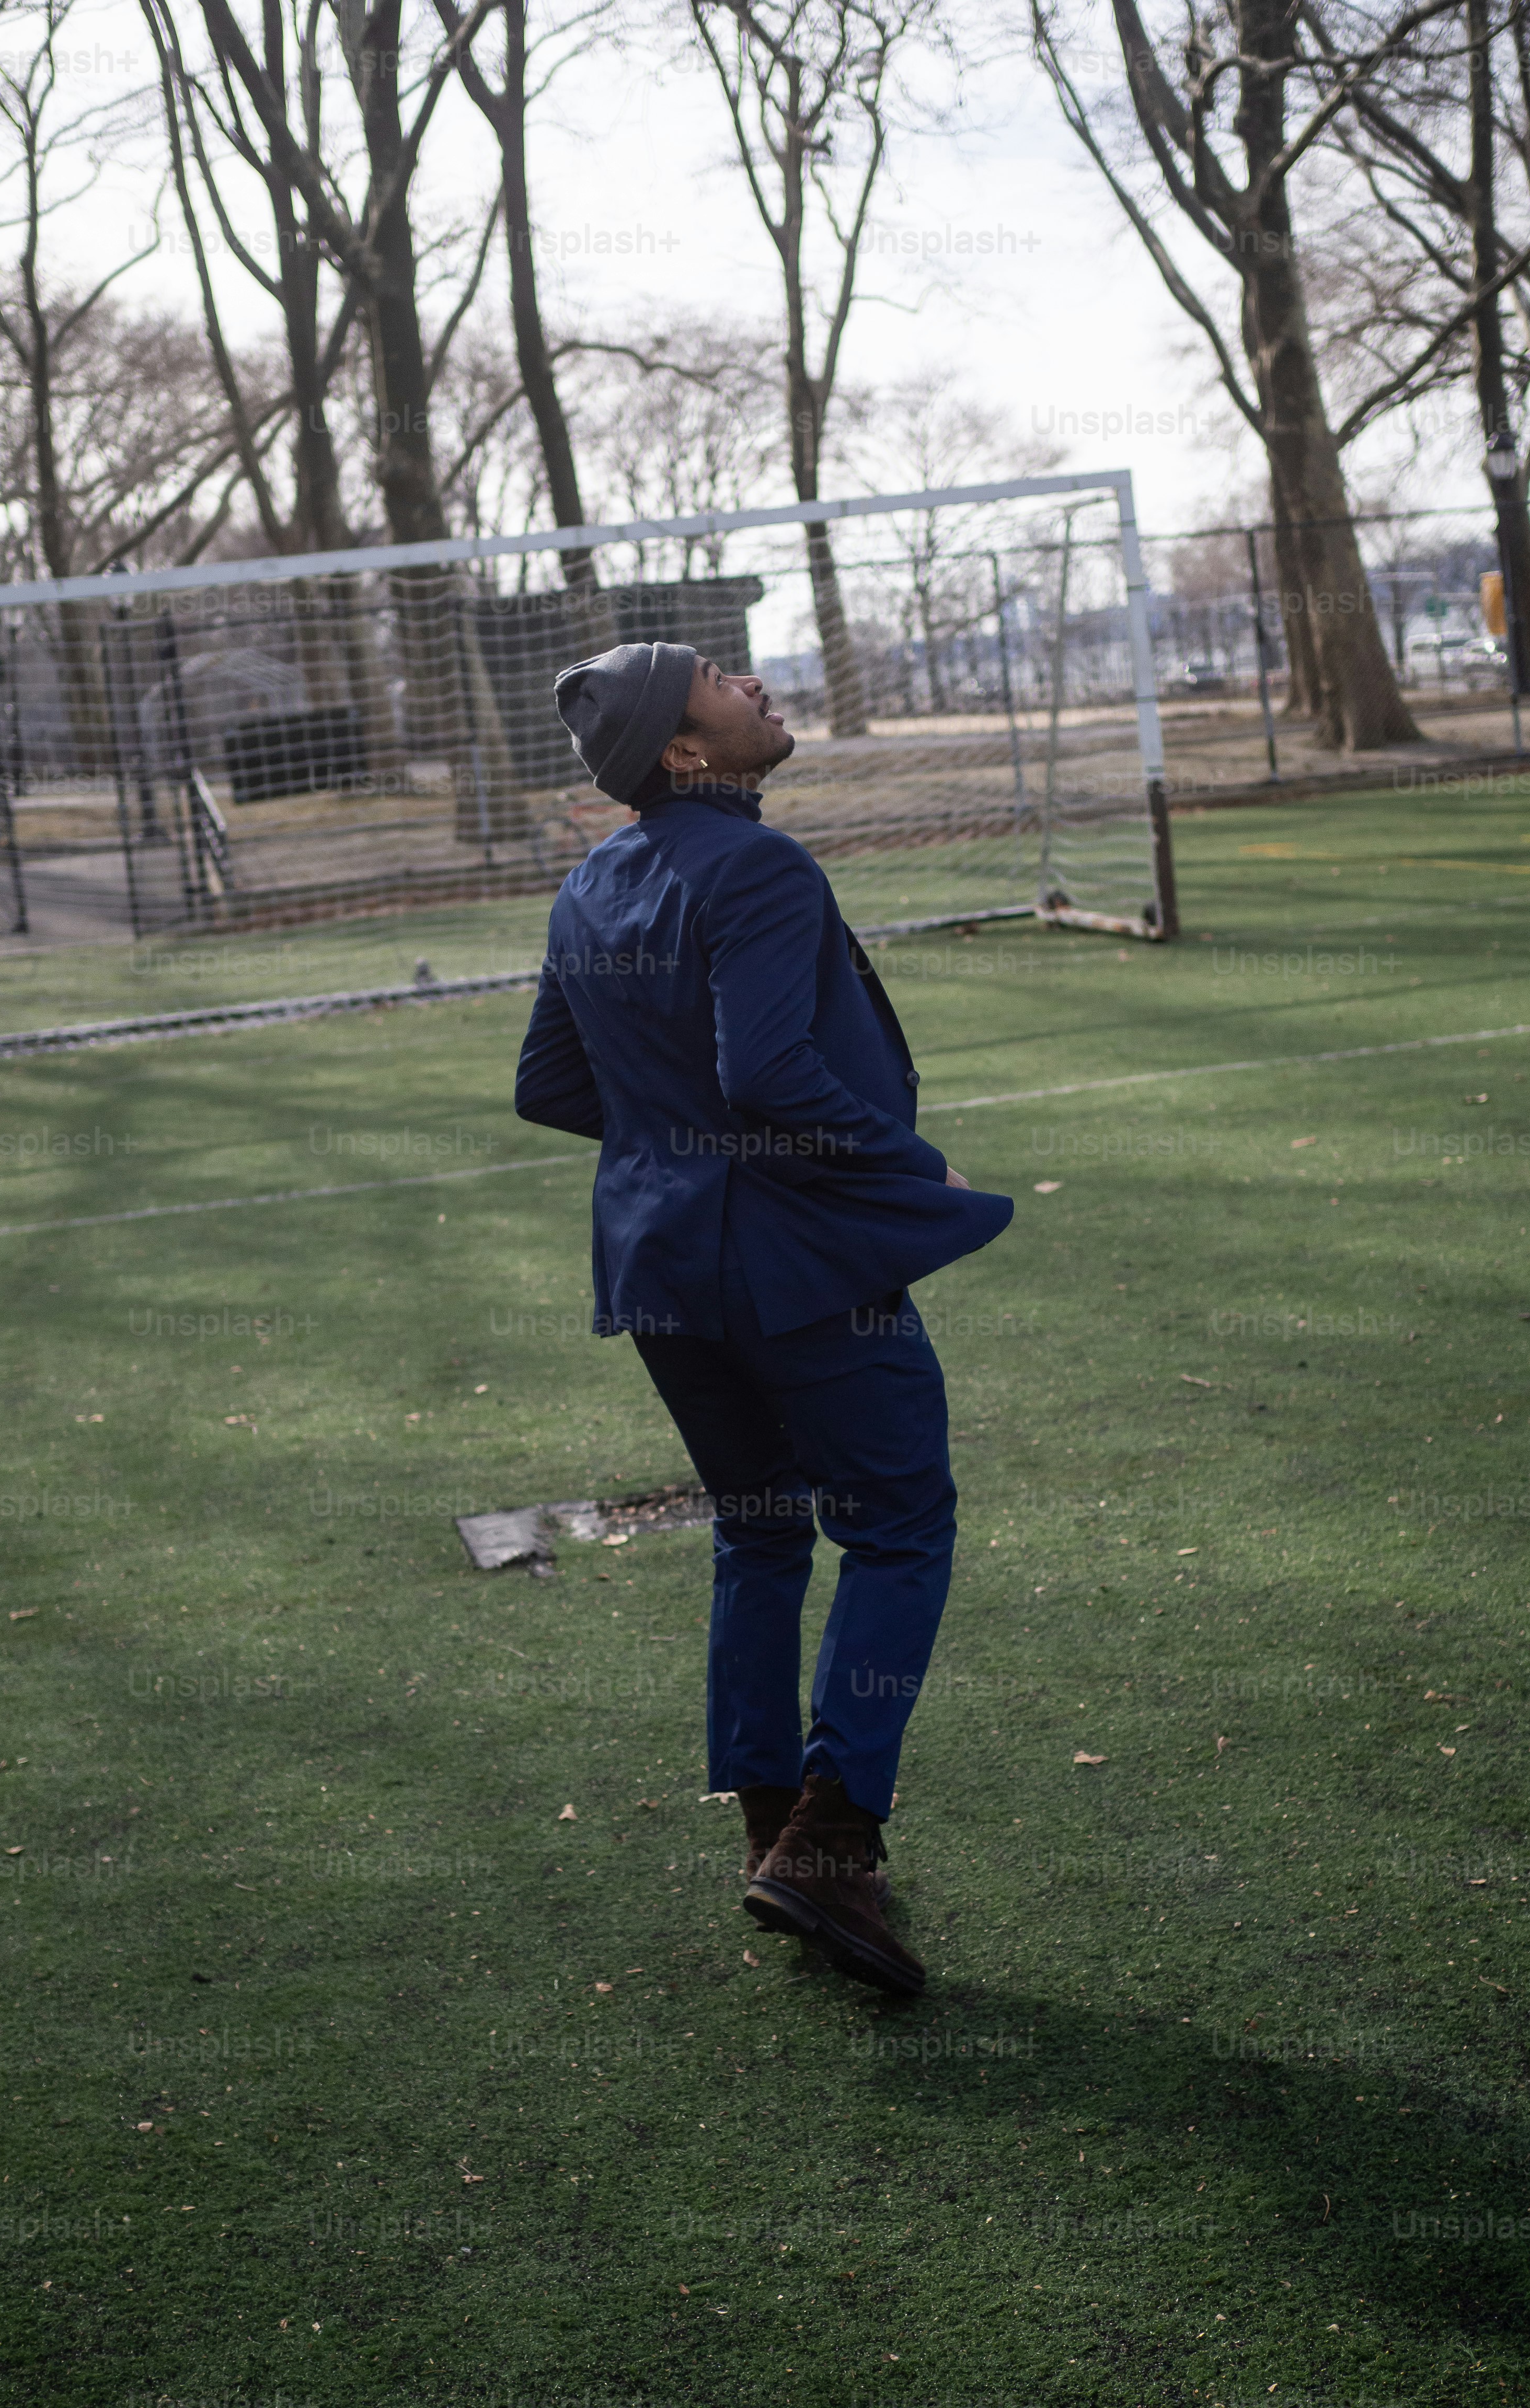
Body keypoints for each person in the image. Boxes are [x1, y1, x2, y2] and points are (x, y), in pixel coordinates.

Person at [514, 640, 1013, 1995]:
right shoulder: (762, 867)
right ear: (685, 752)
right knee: (900, 1526)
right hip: (789, 1270)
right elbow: (772, 1069)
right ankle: (830, 1842)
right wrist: (916, 1167)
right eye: (722, 682)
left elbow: (551, 1087)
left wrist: (674, 1143)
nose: (753, 683)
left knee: (758, 1533)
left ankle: (775, 1835)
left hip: (663, 1272)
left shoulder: (590, 885)